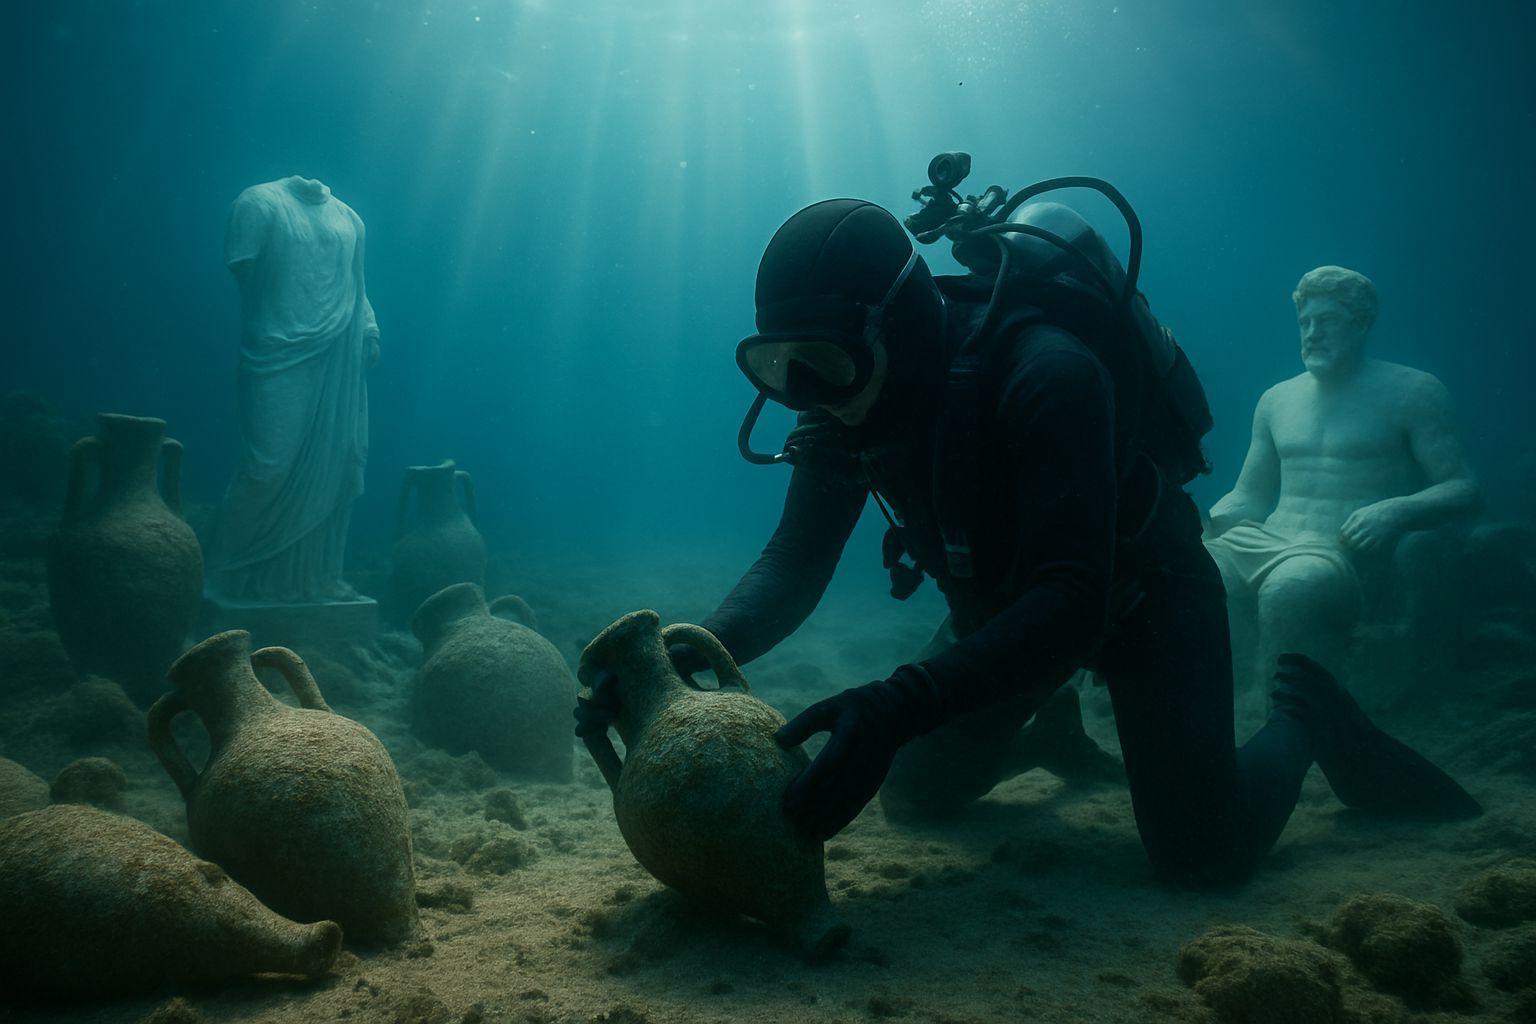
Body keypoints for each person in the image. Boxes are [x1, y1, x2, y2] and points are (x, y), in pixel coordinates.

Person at [579, 197, 1479, 887]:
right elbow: (792, 567)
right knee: (919, 797)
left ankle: (1305, 714)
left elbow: (1073, 599)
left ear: (893, 321)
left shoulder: (1048, 372)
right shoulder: (847, 401)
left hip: (1141, 599)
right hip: (1006, 617)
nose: (807, 390)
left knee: (1201, 857)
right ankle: (1050, 736)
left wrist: (897, 703)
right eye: (779, 368)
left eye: (824, 361)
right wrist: (676, 661)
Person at [1205, 266, 1479, 689]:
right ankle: (1218, 698)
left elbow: (1463, 487)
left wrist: (1395, 511)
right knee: (1191, 571)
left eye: (1327, 321)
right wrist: (1211, 519)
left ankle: (1288, 717)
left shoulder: (1413, 392)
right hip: (1267, 538)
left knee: (1288, 591)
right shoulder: (1277, 400)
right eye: (1304, 322)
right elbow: (1249, 495)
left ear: (1362, 323)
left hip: (1339, 549)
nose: (1312, 333)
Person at [208, 175, 380, 602]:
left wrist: (370, 330)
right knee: (267, 468)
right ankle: (224, 573)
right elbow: (244, 270)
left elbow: (357, 285)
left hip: (339, 353)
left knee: (337, 463)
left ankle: (317, 578)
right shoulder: (257, 203)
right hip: (278, 351)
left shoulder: (349, 218)